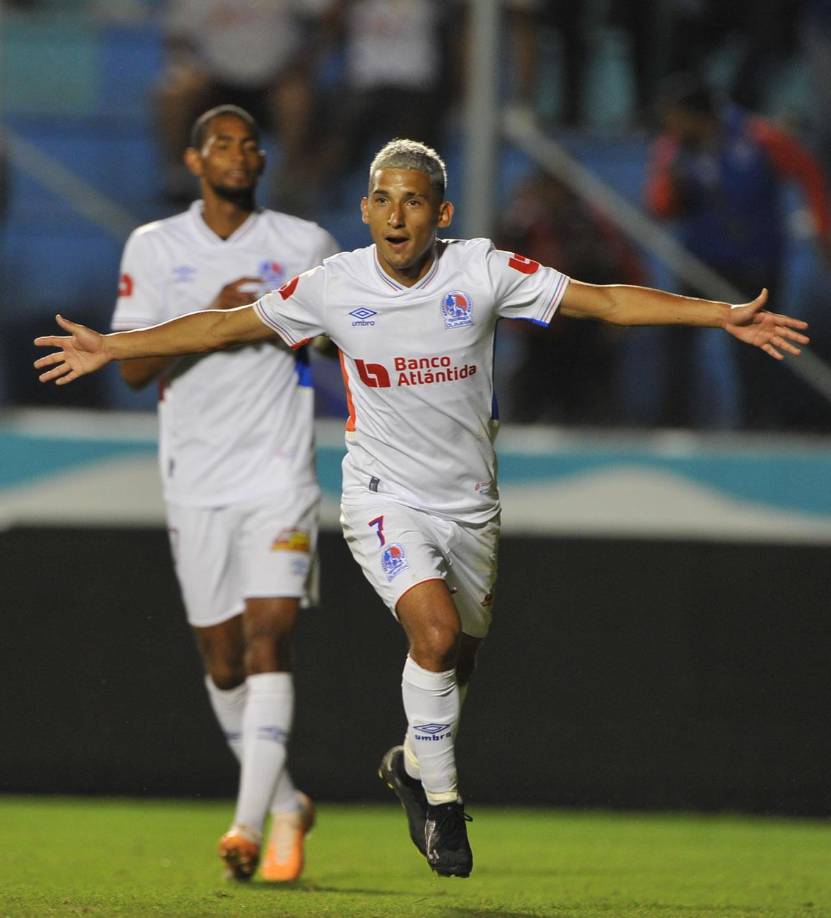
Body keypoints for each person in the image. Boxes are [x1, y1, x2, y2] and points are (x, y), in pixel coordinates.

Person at [34, 139, 808, 879]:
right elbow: (222, 326)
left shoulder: (483, 270)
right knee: (433, 636)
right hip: (382, 497)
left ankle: (410, 764)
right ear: (365, 211)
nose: (395, 214)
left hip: (469, 508)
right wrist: (114, 346)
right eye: (381, 199)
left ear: (441, 213)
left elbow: (603, 301)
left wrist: (720, 315)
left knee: (456, 660)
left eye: (412, 201)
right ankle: (441, 804)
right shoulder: (333, 286)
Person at [110, 103, 338, 882]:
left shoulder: (304, 244)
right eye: (222, 145)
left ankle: (245, 827)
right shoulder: (154, 246)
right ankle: (286, 804)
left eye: (250, 145)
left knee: (269, 638)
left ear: (262, 162)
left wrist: (301, 324)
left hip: (279, 471)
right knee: (223, 665)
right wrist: (216, 316)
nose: (239, 155)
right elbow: (134, 368)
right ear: (194, 160)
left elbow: (342, 337)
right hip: (195, 477)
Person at [636, 75, 831, 429]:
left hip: (755, 263)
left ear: (697, 115)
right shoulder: (673, 149)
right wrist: (671, 178)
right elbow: (661, 206)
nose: (671, 127)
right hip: (701, 262)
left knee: (755, 350)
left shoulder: (759, 138)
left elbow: (808, 173)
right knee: (676, 338)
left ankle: (758, 427)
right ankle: (672, 424)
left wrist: (823, 231)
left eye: (677, 118)